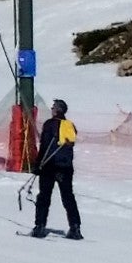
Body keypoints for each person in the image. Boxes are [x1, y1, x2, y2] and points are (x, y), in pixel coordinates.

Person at [32, 100, 82, 240]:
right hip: (66, 167)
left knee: (44, 197)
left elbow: (44, 146)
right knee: (68, 197)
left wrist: (37, 165)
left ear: (57, 110)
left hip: (49, 165)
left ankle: (40, 226)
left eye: (53, 107)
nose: (51, 109)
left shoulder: (49, 124)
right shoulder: (70, 126)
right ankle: (75, 227)